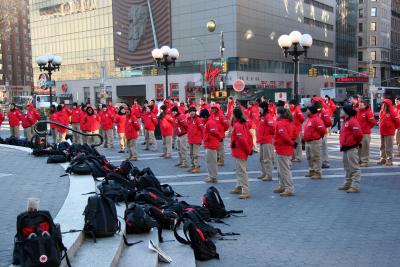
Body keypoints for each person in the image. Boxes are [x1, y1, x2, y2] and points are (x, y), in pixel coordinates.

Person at [338, 104, 363, 193]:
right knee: (347, 167)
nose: (341, 112)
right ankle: (348, 183)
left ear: (346, 112)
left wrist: (356, 143)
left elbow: (359, 134)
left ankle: (355, 186)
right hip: (345, 147)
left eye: (342, 111)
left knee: (354, 167)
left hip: (351, 147)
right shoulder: (346, 121)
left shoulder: (352, 121)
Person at [230, 108, 253, 199]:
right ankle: (239, 186)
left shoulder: (238, 125)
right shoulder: (243, 123)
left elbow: (242, 139)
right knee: (239, 171)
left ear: (235, 115)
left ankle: (245, 191)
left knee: (242, 171)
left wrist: (248, 150)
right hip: (239, 150)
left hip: (240, 151)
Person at [273, 107, 296, 197]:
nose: (275, 114)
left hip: (283, 149)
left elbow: (284, 136)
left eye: (276, 113)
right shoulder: (289, 122)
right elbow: (294, 134)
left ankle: (289, 188)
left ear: (279, 114)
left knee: (285, 170)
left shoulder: (280, 123)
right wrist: (292, 142)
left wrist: (291, 142)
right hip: (285, 148)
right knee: (281, 169)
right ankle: (282, 186)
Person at [200, 108, 224, 183]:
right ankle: (211, 176)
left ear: (205, 116)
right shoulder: (208, 122)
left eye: (202, 117)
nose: (201, 118)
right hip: (209, 144)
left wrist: (220, 138)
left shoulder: (210, 122)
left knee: (211, 162)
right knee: (209, 161)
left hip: (211, 144)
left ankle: (213, 177)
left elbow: (215, 132)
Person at [303, 105, 326, 179]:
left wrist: (318, 137)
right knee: (309, 157)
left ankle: (318, 172)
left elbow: (322, 130)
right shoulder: (309, 119)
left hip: (314, 141)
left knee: (316, 157)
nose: (306, 111)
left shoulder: (316, 119)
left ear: (311, 111)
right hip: (308, 141)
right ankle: (312, 170)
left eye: (308, 110)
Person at [256, 102, 275, 181]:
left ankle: (268, 174)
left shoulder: (268, 116)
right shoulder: (263, 116)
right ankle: (264, 173)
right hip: (262, 140)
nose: (258, 109)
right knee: (262, 158)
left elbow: (273, 127)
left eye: (259, 107)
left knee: (267, 158)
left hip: (267, 140)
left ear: (263, 108)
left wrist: (268, 134)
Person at [378, 98, 400, 166]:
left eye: (385, 104)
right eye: (383, 104)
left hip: (389, 132)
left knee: (388, 147)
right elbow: (380, 119)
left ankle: (389, 160)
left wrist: (392, 128)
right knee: (382, 146)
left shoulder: (392, 111)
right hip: (382, 131)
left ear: (388, 105)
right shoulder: (382, 111)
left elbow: (398, 122)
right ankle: (383, 159)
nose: (383, 106)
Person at [312, 97, 332, 168]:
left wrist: (323, 127)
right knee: (317, 149)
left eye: (313, 102)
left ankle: (325, 161)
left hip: (322, 133)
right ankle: (319, 162)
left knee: (324, 148)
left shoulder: (323, 112)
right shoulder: (315, 112)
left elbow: (329, 122)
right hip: (316, 134)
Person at [356, 99, 376, 167]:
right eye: (359, 105)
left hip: (365, 133)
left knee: (365, 148)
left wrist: (367, 128)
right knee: (359, 147)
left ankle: (365, 161)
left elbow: (373, 122)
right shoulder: (358, 111)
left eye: (361, 105)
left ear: (365, 106)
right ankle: (359, 160)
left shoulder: (368, 112)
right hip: (358, 133)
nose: (359, 106)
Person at [187, 106, 203, 173]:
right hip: (191, 139)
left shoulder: (198, 119)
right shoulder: (189, 119)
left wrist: (202, 138)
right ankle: (193, 165)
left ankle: (197, 167)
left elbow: (202, 129)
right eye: (190, 111)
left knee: (196, 154)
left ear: (195, 112)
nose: (192, 113)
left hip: (196, 139)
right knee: (191, 154)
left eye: (193, 111)